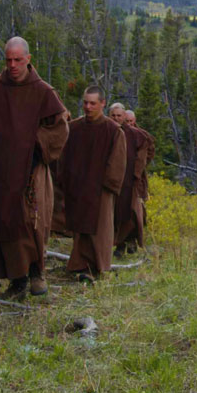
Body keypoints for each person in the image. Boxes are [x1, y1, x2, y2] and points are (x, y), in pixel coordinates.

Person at [0, 37, 69, 297]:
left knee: (31, 222)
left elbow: (59, 128)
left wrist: (34, 146)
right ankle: (17, 280)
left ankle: (37, 273)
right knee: (5, 222)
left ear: (28, 59)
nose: (12, 65)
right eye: (8, 60)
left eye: (18, 60)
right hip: (0, 172)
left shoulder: (43, 92)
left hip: (32, 171)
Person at [60, 86, 127, 283]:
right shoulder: (74, 127)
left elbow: (118, 161)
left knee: (100, 228)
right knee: (80, 226)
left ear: (103, 104)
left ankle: (97, 266)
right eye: (85, 103)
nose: (88, 107)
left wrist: (107, 186)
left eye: (93, 103)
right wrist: (67, 180)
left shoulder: (113, 131)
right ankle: (79, 264)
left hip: (101, 189)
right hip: (78, 186)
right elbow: (64, 156)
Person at [110, 104, 148, 255]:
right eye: (113, 115)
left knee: (132, 212)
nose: (116, 118)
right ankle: (119, 244)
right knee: (114, 213)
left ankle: (130, 242)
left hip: (130, 181)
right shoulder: (106, 130)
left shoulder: (136, 134)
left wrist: (136, 175)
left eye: (119, 116)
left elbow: (145, 153)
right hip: (111, 181)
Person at [126, 110, 156, 245]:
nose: (129, 124)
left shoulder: (143, 136)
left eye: (130, 121)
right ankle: (122, 243)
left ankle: (133, 241)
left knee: (136, 211)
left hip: (137, 179)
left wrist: (138, 169)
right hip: (121, 179)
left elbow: (149, 154)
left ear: (134, 120)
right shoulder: (118, 133)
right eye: (126, 121)